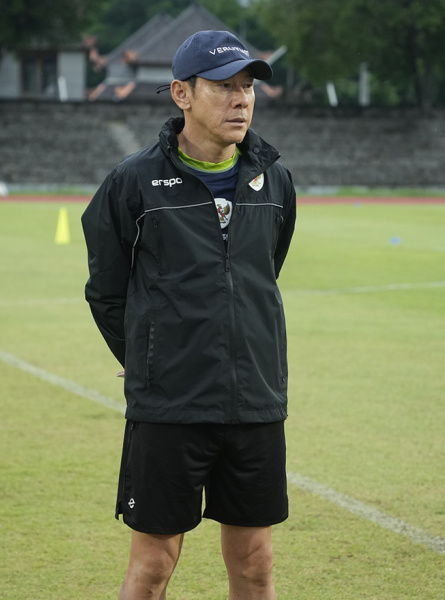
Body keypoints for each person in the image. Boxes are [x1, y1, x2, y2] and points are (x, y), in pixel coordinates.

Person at [82, 30, 296, 600]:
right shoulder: (133, 183)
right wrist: (149, 360)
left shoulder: (274, 178)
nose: (241, 100)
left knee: (255, 563)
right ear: (181, 93)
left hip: (254, 401)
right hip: (170, 408)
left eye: (248, 87)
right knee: (153, 564)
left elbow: (265, 269)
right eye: (224, 87)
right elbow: (106, 293)